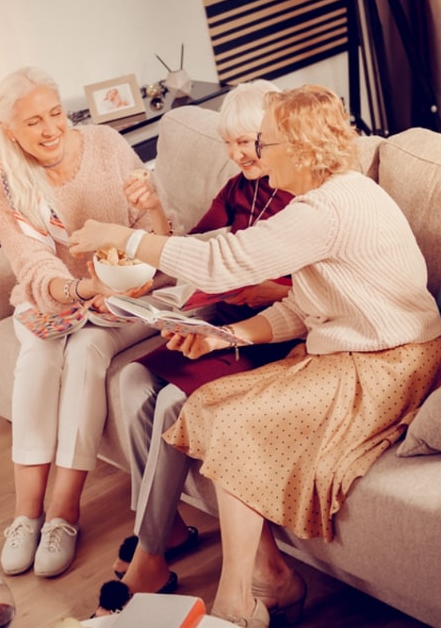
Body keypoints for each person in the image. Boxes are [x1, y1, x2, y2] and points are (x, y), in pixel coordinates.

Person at [70, 84, 441, 627]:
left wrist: (123, 238)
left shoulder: (327, 208)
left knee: (236, 424)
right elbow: (308, 307)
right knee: (206, 408)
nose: (254, 152)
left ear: (298, 149)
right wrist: (226, 337)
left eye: (263, 143)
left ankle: (237, 603)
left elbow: (225, 262)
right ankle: (271, 578)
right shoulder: (328, 198)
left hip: (394, 361)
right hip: (358, 351)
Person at [95, 80, 300, 615]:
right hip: (223, 312)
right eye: (229, 143)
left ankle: (149, 554)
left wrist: (266, 291)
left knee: (171, 402)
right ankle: (164, 531)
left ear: (276, 137)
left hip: (269, 329)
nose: (237, 154)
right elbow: (195, 251)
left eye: (247, 142)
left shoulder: (301, 195)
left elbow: (312, 294)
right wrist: (153, 257)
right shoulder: (240, 187)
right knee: (133, 379)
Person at [0, 66, 170, 579]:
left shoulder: (107, 144)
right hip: (62, 297)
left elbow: (155, 235)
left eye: (56, 114)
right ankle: (26, 515)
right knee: (40, 355)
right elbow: (35, 268)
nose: (50, 130)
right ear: (9, 132)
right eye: (33, 122)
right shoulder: (4, 191)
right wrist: (83, 288)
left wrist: (151, 207)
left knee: (86, 350)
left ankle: (64, 513)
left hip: (128, 294)